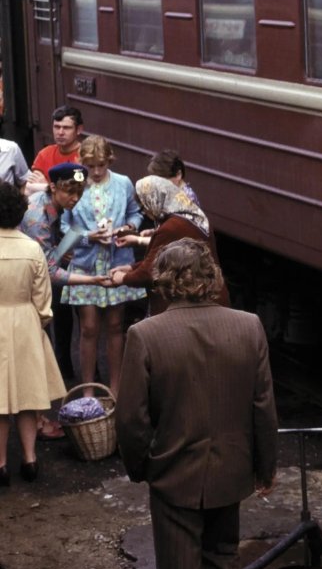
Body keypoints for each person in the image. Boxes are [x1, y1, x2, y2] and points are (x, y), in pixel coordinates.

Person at [116, 238, 278, 569]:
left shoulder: (144, 335)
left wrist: (142, 467)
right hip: (231, 471)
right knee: (223, 562)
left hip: (173, 474)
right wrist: (265, 468)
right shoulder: (249, 326)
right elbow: (263, 406)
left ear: (162, 281)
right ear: (211, 278)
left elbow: (132, 419)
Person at [19, 162, 113, 438]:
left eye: (78, 193)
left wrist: (82, 237)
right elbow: (49, 269)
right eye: (69, 192)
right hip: (23, 290)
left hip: (29, 284)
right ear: (53, 187)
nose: (75, 199)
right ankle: (36, 421)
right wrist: (93, 280)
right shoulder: (37, 215)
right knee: (33, 357)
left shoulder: (50, 204)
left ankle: (36, 419)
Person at [61, 136, 145, 396]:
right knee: (87, 328)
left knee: (115, 326)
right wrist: (88, 236)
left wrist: (129, 227)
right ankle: (87, 389)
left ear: (109, 160)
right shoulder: (75, 182)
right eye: (90, 166)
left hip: (117, 263)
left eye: (100, 165)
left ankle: (115, 388)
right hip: (86, 265)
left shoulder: (122, 183)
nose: (95, 172)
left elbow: (135, 213)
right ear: (81, 163)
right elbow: (65, 226)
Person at [0, 182, 67, 485]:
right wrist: (39, 321)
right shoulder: (32, 248)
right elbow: (44, 299)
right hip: (26, 322)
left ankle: (1, 464)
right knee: (27, 398)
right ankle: (30, 459)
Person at [109, 176, 228, 316]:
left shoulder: (171, 227)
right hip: (208, 296)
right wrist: (130, 268)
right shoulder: (189, 215)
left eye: (144, 207)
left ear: (154, 200)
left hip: (190, 307)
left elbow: (150, 273)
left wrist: (122, 278)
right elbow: (163, 261)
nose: (146, 213)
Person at [27, 106, 85, 193]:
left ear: (79, 129)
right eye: (57, 127)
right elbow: (30, 189)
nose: (60, 132)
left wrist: (46, 187)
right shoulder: (44, 154)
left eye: (66, 128)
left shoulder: (87, 156)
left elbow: (80, 192)